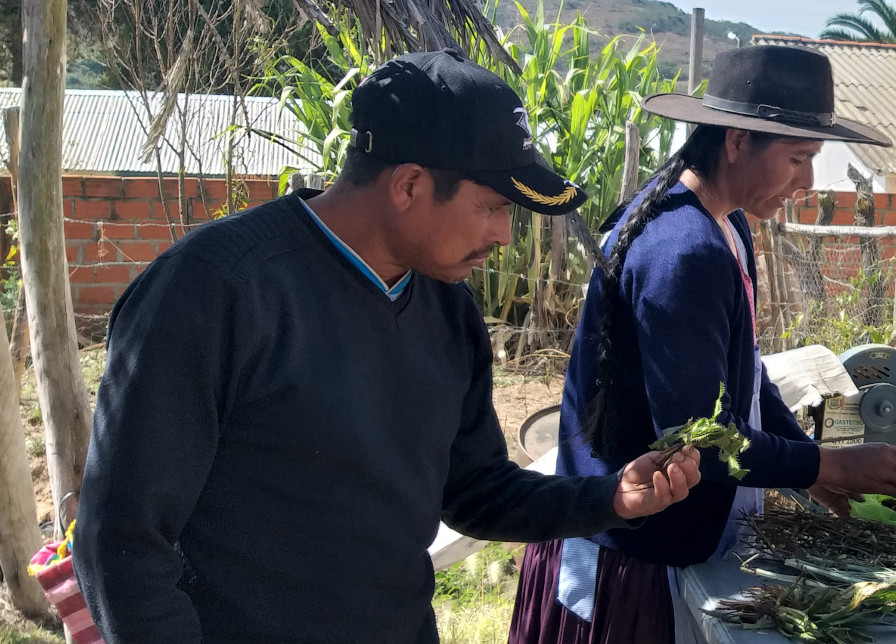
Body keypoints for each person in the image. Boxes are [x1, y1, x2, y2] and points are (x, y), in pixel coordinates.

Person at [72, 50, 704, 644]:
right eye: (491, 207)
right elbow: (123, 539)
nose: (504, 235)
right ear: (408, 185)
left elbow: (475, 490)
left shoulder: (447, 310)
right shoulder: (218, 290)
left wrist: (610, 497)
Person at [508, 45, 896, 644]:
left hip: (660, 538)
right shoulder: (684, 249)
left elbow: (745, 379)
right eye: (798, 158)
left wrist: (803, 464)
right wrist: (826, 462)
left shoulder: (723, 224)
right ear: (735, 140)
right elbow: (701, 435)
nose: (808, 181)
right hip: (634, 559)